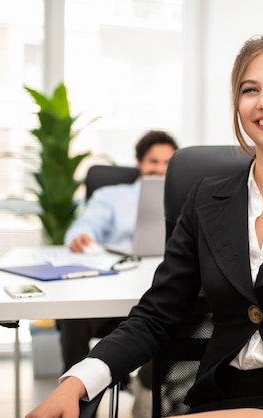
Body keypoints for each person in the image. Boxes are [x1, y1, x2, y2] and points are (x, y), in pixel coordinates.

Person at [27, 34, 263, 418]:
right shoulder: (206, 200)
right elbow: (158, 314)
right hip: (219, 398)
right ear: (238, 105)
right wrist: (79, 379)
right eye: (250, 89)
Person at [57, 130, 178, 412]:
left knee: (182, 314)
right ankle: (77, 401)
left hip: (158, 292)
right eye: (153, 161)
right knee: (73, 315)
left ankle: (147, 387)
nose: (159, 169)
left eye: (167, 163)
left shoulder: (187, 197)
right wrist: (81, 237)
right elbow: (86, 225)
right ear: (139, 163)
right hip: (110, 299)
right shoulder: (111, 195)